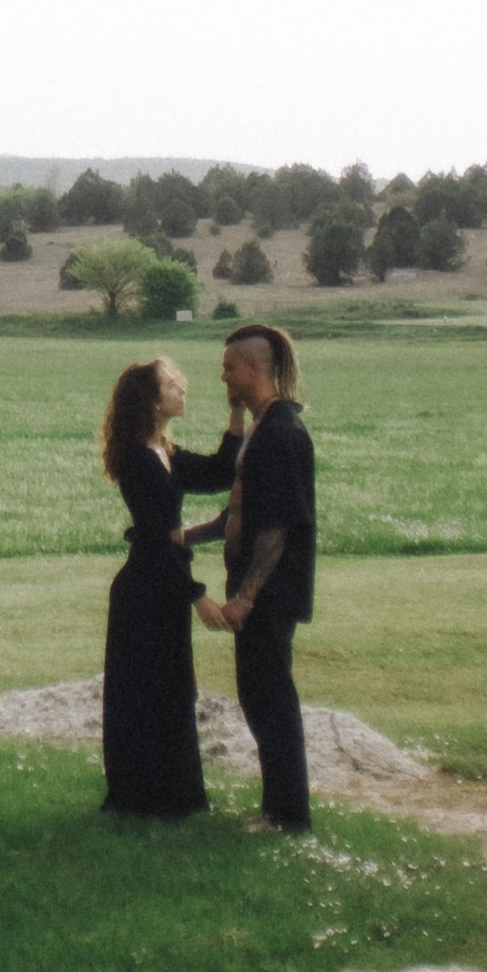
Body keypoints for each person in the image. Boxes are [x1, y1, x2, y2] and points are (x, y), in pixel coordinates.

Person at [97, 353, 239, 817]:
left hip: (160, 582)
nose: (183, 391)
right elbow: (158, 539)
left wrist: (237, 413)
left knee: (173, 689)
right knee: (146, 693)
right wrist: (198, 596)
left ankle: (170, 797)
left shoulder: (167, 454)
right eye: (173, 385)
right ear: (151, 400)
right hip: (145, 588)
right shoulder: (139, 459)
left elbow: (220, 471)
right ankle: (143, 799)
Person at [192, 321, 317, 828]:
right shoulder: (262, 428)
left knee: (271, 704)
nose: (222, 377)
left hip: (270, 596)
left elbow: (277, 529)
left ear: (253, 368)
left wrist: (244, 597)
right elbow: (235, 516)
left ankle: (287, 816)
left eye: (228, 368)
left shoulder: (282, 433)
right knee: (260, 699)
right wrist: (179, 535)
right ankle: (278, 810)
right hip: (258, 596)